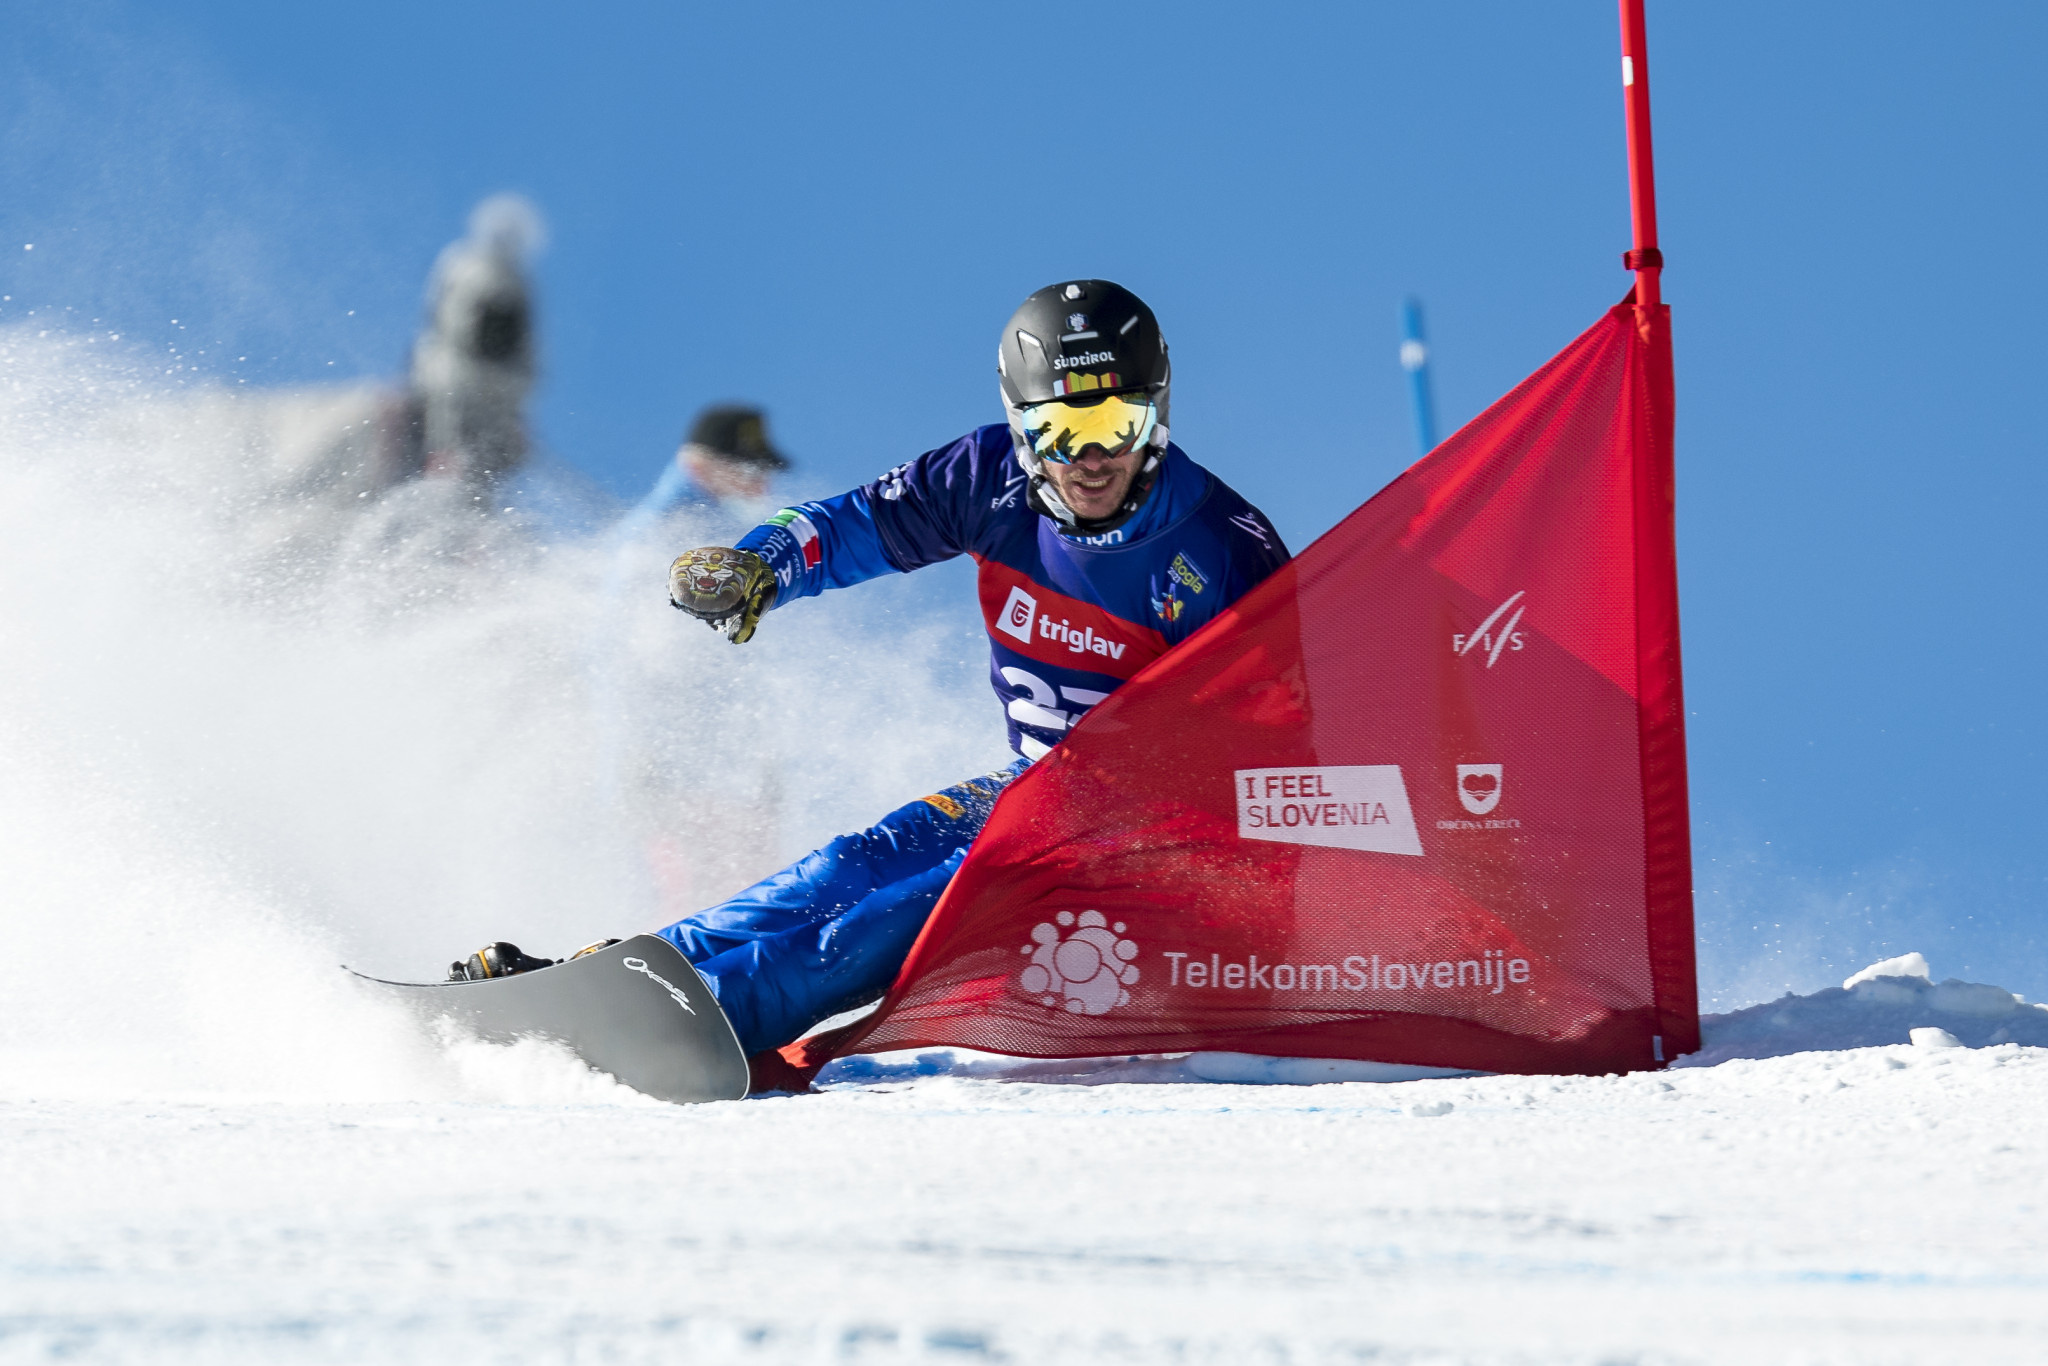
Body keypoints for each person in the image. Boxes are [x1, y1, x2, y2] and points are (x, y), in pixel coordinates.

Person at [453, 280, 1291, 1065]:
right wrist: (762, 566)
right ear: (1019, 422)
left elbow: (1279, 748)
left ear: (1158, 412)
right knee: (844, 868)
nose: (1089, 458)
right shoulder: (987, 479)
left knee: (893, 916)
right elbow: (851, 524)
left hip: (1147, 836)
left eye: (1114, 423)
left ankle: (689, 1022)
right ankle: (619, 976)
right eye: (1058, 432)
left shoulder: (1219, 548)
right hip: (1033, 792)